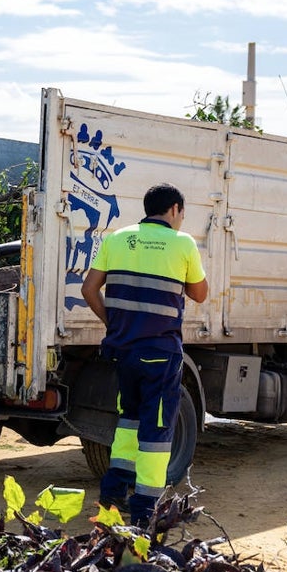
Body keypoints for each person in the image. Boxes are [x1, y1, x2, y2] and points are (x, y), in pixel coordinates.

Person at [80, 183, 208, 527]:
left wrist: (115, 323)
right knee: (157, 431)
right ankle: (143, 511)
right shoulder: (183, 243)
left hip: (124, 351)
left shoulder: (117, 238)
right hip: (160, 355)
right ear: (176, 209)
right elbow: (200, 294)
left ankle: (110, 498)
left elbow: (89, 289)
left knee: (128, 422)